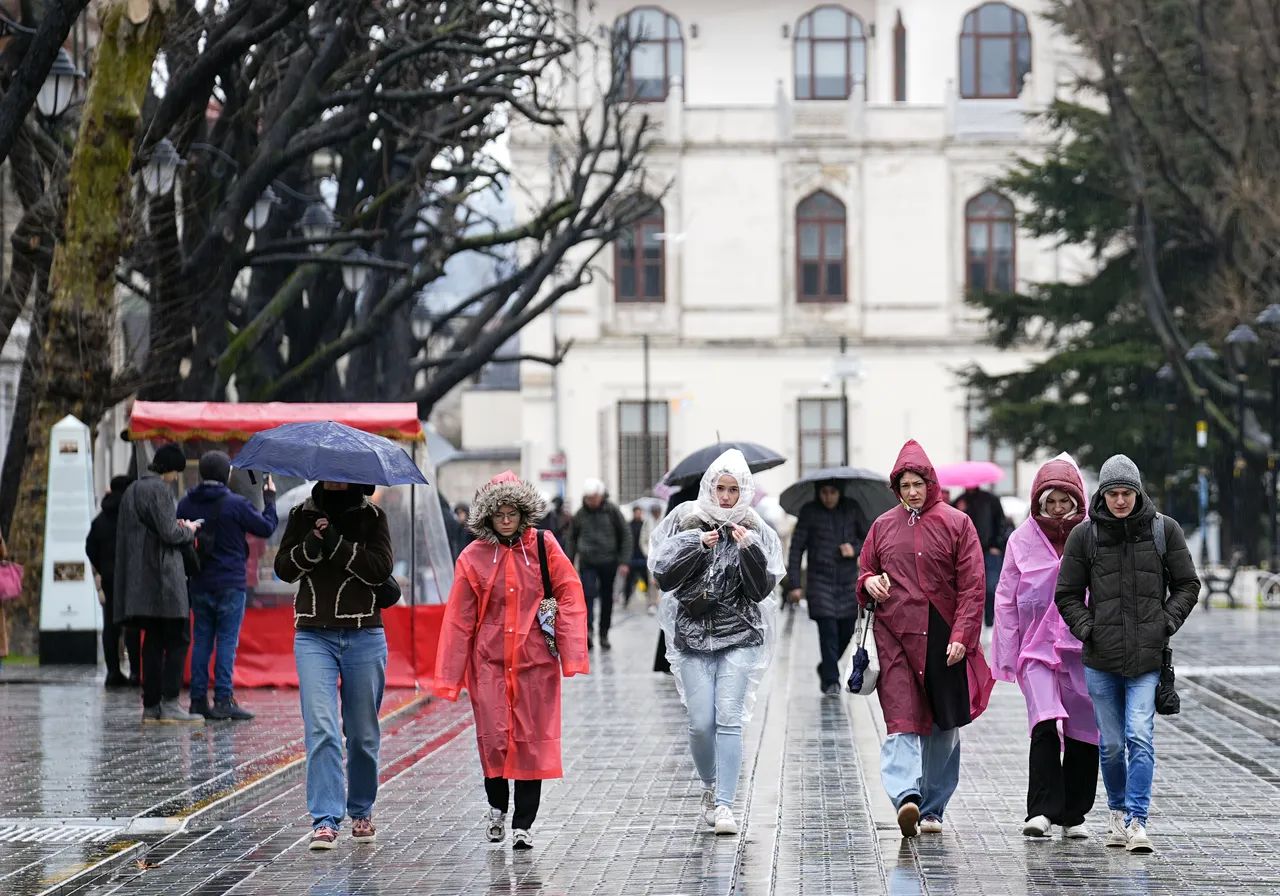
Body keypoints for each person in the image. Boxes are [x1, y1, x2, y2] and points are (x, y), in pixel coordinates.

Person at [435, 472, 589, 851]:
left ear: (523, 513)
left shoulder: (543, 546)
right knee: (495, 739)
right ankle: (496, 807)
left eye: (512, 513)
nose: (506, 520)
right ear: (487, 517)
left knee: (530, 741)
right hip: (487, 662)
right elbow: (460, 618)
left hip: (534, 662)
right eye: (499, 514)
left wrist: (570, 652)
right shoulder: (472, 557)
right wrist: (451, 676)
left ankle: (524, 824)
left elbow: (569, 593)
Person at [1054, 454, 1199, 854]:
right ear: (1103, 494)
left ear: (1138, 492)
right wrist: (1087, 629)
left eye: (1127, 493)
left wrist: (1164, 623)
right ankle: (1117, 813)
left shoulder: (1163, 530)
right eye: (1113, 493)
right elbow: (1066, 593)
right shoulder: (1086, 535)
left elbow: (1188, 584)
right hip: (1100, 658)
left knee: (1140, 735)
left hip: (1147, 657)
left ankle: (1137, 820)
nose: (1120, 501)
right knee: (1113, 744)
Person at [857, 440, 994, 838]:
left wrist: (963, 636)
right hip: (894, 636)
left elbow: (973, 585)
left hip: (943, 637)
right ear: (896, 489)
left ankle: (933, 807)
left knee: (943, 725)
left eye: (918, 483)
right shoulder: (882, 526)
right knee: (901, 720)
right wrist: (870, 582)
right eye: (905, 485)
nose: (913, 491)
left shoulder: (957, 523)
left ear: (930, 483)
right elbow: (865, 572)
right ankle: (906, 798)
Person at [650, 450, 783, 836]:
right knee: (700, 723)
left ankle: (725, 803)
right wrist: (696, 545)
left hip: (740, 635)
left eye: (733, 489)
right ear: (709, 487)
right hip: (693, 635)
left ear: (744, 492)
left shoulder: (754, 528)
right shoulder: (688, 521)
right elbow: (663, 576)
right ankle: (709, 786)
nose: (726, 497)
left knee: (728, 718)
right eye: (720, 488)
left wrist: (750, 551)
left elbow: (761, 590)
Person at [275, 480, 394, 851]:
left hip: (364, 634)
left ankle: (361, 810)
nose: (335, 479)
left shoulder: (373, 517)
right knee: (322, 728)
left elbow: (380, 569)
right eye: (328, 472)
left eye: (342, 473)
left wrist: (337, 545)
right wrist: (311, 542)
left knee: (362, 735)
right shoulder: (302, 515)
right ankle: (325, 819)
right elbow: (283, 569)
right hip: (313, 635)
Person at [992, 456, 1098, 840]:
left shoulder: (1091, 536)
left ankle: (1074, 812)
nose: (1056, 509)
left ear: (1076, 502)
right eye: (1049, 501)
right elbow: (1005, 596)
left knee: (1085, 729)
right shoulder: (1021, 539)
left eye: (1063, 501)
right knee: (1043, 723)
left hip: (1083, 649)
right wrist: (1006, 652)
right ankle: (1041, 810)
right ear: (1038, 501)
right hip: (1035, 650)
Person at [177, 451, 280, 721]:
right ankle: (223, 699)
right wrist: (269, 500)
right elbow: (266, 527)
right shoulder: (236, 504)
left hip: (199, 582)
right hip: (231, 584)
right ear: (227, 475)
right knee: (226, 641)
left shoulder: (186, 503)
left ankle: (198, 701)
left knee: (201, 641)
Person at [114, 444, 204, 726]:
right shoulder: (159, 490)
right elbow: (169, 532)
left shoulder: (132, 490)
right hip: (164, 580)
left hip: (141, 582)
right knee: (178, 639)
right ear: (168, 469)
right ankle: (171, 704)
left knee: (151, 643)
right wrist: (187, 531)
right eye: (176, 472)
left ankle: (151, 707)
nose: (176, 478)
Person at [787, 481, 870, 695]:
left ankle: (826, 667)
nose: (829, 497)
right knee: (828, 630)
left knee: (847, 630)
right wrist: (795, 584)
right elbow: (796, 549)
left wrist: (855, 549)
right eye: (824, 492)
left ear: (839, 492)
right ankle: (831, 680)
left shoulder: (852, 508)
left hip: (847, 582)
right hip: (819, 581)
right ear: (818, 493)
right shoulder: (809, 512)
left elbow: (869, 539)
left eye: (833, 492)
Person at [86, 475, 140, 688]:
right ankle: (136, 672)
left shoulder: (100, 519)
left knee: (111, 624)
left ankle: (113, 672)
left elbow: (90, 548)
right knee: (133, 625)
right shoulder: (132, 515)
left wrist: (102, 567)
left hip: (109, 577)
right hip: (132, 576)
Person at [565, 479, 628, 650]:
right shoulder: (580, 514)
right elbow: (571, 538)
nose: (591, 502)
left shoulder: (612, 511)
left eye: (594, 498)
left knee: (607, 598)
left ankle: (604, 633)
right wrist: (568, 562)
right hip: (587, 561)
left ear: (601, 496)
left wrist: (624, 560)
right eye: (588, 499)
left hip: (609, 560)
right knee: (587, 596)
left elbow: (625, 534)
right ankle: (588, 631)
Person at [958, 486, 1008, 626]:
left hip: (989, 552)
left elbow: (1002, 524)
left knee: (992, 587)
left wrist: (997, 545)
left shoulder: (991, 499)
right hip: (968, 553)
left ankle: (991, 622)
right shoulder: (960, 501)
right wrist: (960, 510)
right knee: (971, 591)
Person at [623, 505, 653, 606]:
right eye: (637, 512)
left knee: (646, 580)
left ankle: (649, 600)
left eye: (640, 512)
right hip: (632, 557)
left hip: (643, 556)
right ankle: (626, 600)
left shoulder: (644, 524)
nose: (638, 514)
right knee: (629, 581)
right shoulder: (629, 525)